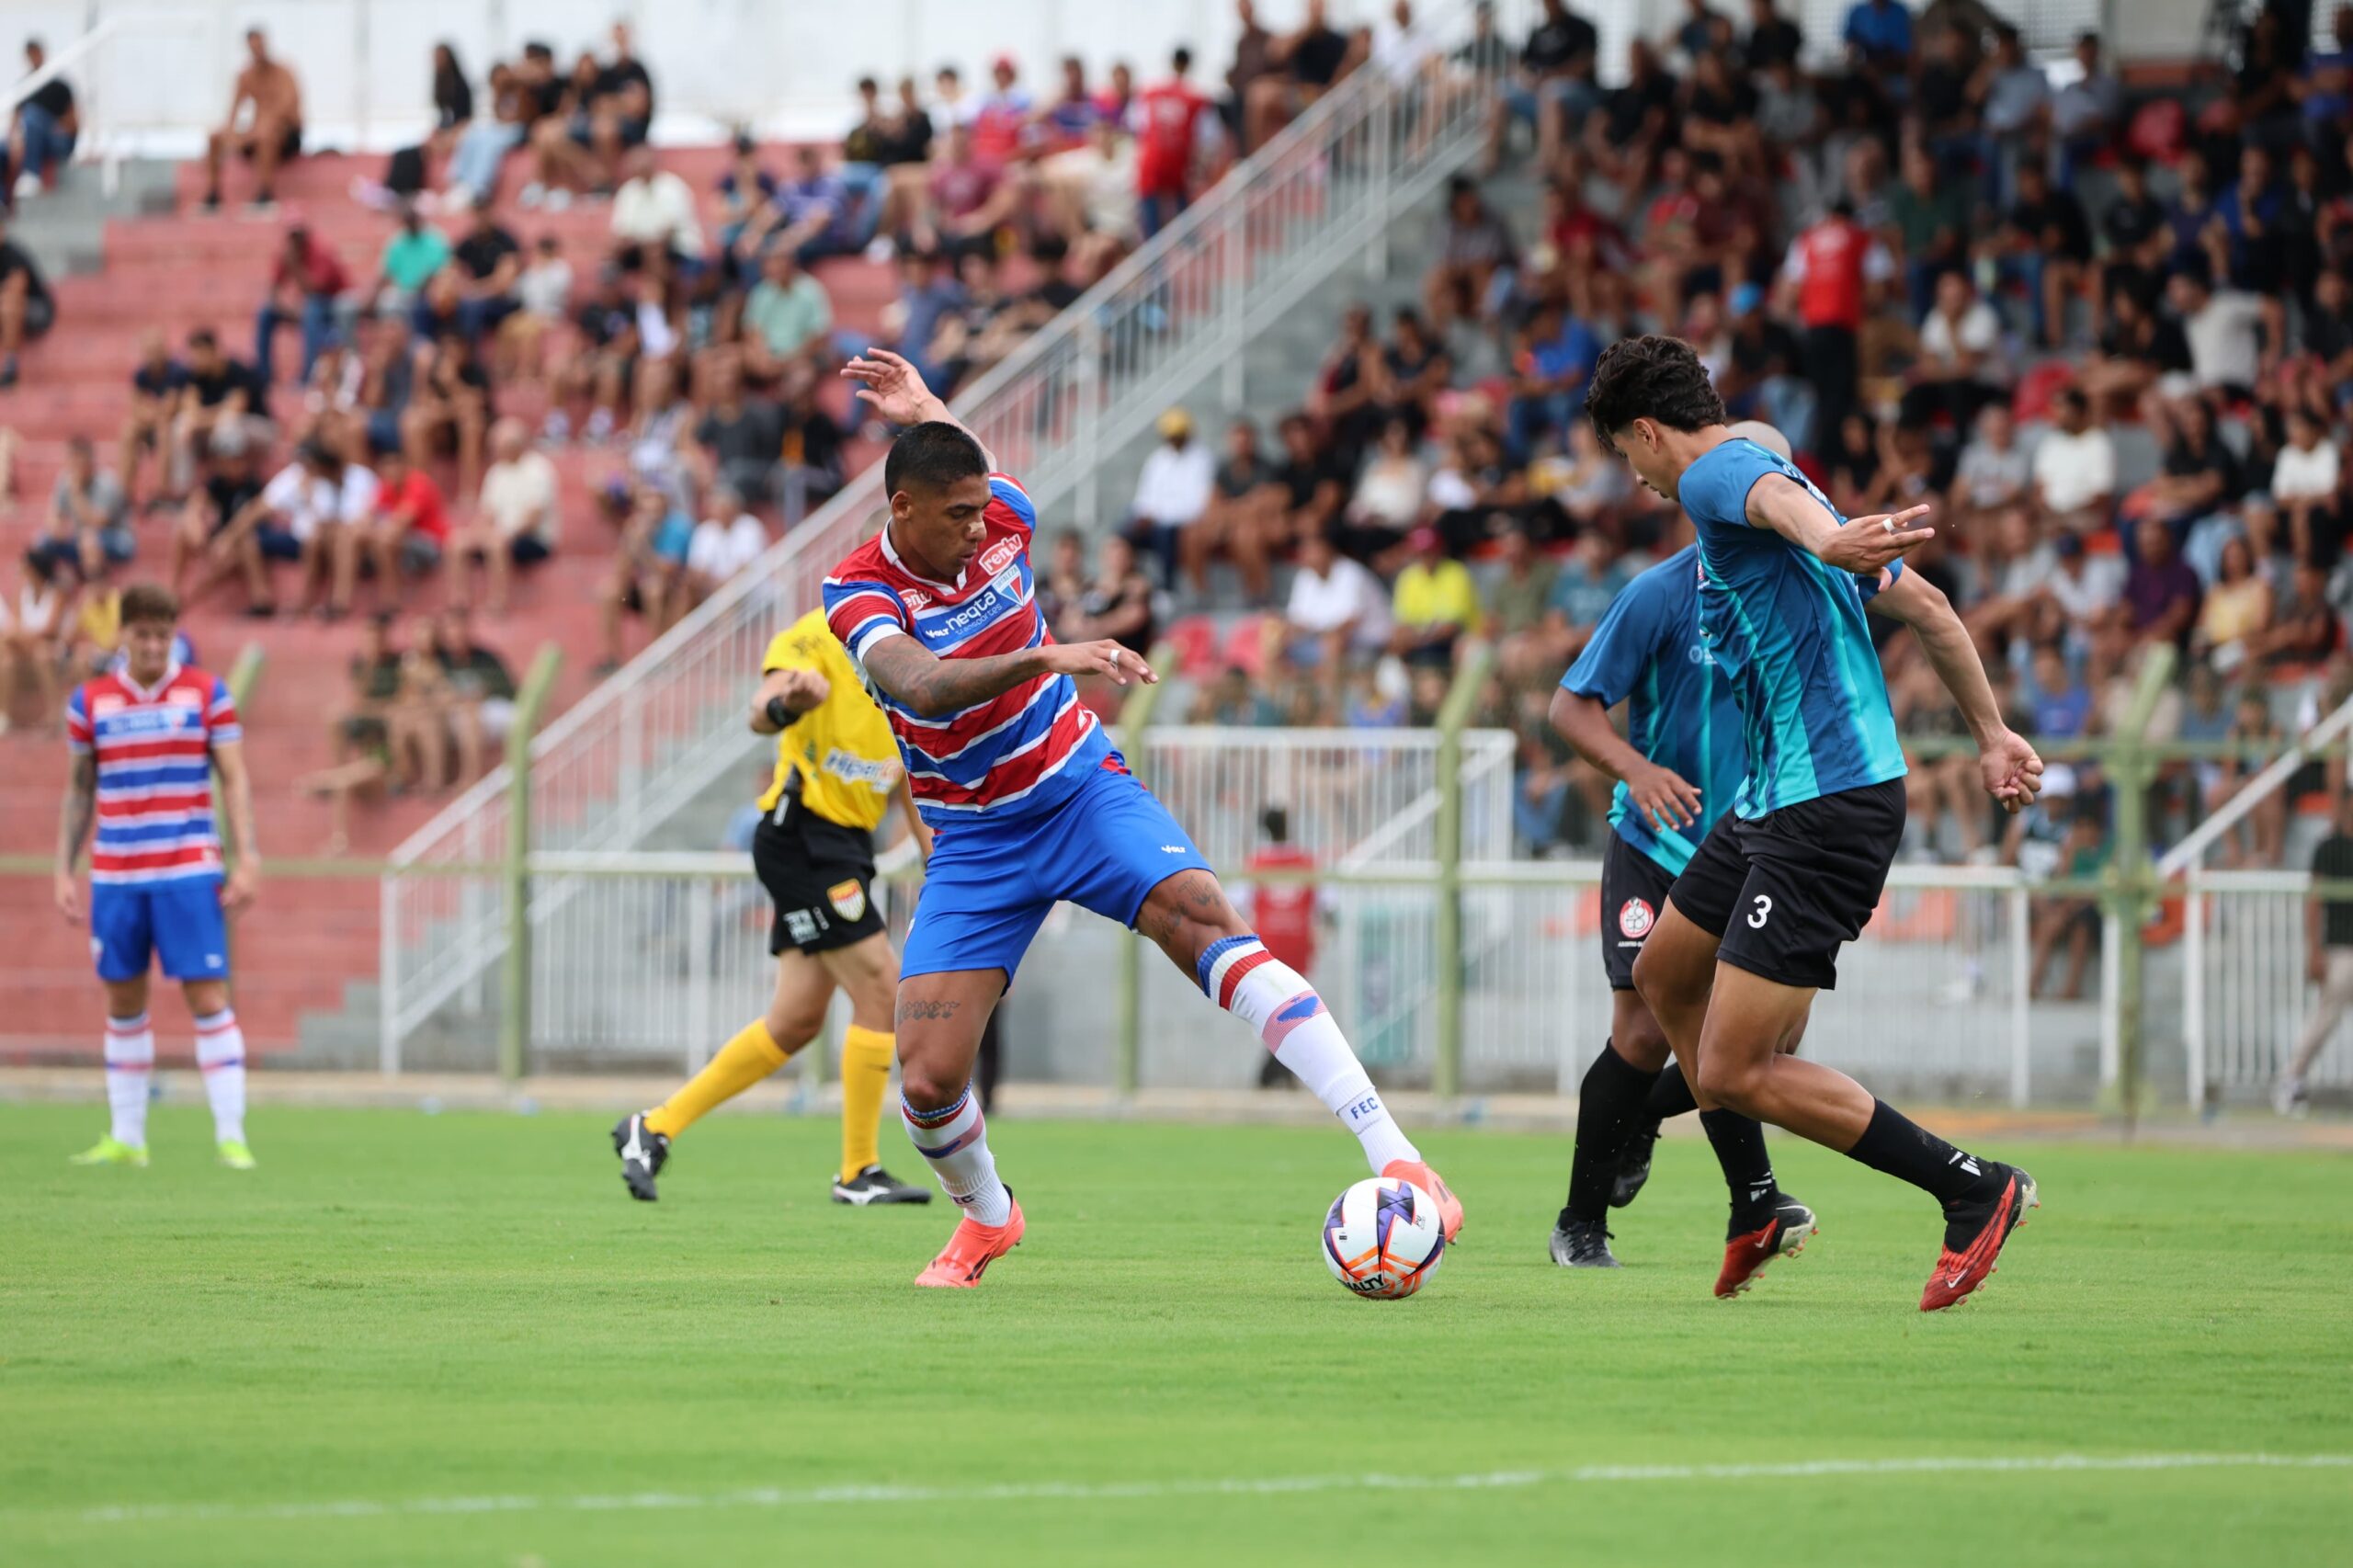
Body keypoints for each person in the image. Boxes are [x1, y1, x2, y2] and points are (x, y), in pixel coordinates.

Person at [821, 348, 1461, 1288]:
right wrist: (1047, 658)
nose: (978, 526)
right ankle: (990, 1218)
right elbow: (916, 681)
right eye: (955, 514)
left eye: (979, 509)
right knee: (923, 1083)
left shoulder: (1002, 512)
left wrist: (926, 409)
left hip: (1079, 786)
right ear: (901, 510)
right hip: (976, 839)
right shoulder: (858, 590)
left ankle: (1399, 1157)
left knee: (1206, 915)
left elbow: (961, 467)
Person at [1583, 334, 2044, 1312]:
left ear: (1648, 431)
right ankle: (1753, 1201)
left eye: (1629, 457)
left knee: (1737, 1065)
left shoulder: (1720, 476)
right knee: (1664, 972)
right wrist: (1993, 734)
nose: (1637, 478)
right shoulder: (1783, 513)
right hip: (1768, 801)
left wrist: (1826, 536)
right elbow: (1931, 609)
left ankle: (1973, 1187)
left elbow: (1761, 488)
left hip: (1823, 808)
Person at [1546, 518, 1822, 1281]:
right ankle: (1582, 1225)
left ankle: (1635, 1119)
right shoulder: (1660, 594)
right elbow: (1569, 707)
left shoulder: (1806, 593)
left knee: (1766, 1045)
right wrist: (1636, 769)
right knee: (1641, 1036)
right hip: (1657, 846)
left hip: (1761, 850)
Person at [614, 608, 935, 1208]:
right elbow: (760, 712)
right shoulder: (820, 633)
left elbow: (910, 782)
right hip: (803, 837)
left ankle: (652, 1128)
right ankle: (858, 1169)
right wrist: (790, 702)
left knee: (793, 1023)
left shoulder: (919, 656)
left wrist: (941, 866)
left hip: (847, 847)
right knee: (882, 988)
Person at [55, 583, 260, 1170]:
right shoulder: (89, 702)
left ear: (173, 636)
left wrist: (247, 857)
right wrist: (63, 869)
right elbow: (78, 791)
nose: (151, 645)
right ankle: (127, 1137)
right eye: (141, 634)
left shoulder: (206, 694)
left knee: (207, 994)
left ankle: (231, 1135)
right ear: (122, 635)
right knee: (122, 998)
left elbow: (235, 779)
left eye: (161, 635)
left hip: (187, 869)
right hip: (117, 872)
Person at [1236, 807, 1326, 1089]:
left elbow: (1235, 901)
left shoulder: (1256, 864)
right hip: (1299, 944)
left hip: (1266, 945)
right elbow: (1329, 905)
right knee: (1294, 1008)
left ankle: (1272, 1070)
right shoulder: (1307, 862)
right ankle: (1279, 1070)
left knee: (1271, 1008)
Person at [2278, 792, 2353, 1116]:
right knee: (2327, 1015)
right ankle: (2292, 1077)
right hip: (2340, 945)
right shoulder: (2329, 847)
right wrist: (2314, 950)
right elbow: (2314, 901)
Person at [201, 28, 302, 212]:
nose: (258, 51)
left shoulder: (284, 73)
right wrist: (232, 131)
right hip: (257, 132)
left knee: (265, 135)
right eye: (254, 47)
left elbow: (289, 109)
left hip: (286, 136)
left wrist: (261, 128)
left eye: (261, 46)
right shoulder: (246, 76)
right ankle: (213, 194)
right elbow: (234, 109)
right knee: (215, 136)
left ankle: (265, 192)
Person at [254, 223, 351, 389]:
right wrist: (286, 308)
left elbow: (315, 290)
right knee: (265, 312)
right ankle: (264, 375)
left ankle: (308, 376)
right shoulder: (286, 254)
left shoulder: (320, 252)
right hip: (304, 306)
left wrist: (295, 266)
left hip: (331, 304)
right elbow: (273, 290)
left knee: (311, 311)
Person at [11, 37, 77, 198]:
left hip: (57, 141)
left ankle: (32, 175)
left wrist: (54, 126)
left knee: (33, 115)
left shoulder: (59, 85)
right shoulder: (24, 87)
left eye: (36, 53)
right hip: (32, 142)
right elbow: (14, 123)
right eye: (30, 55)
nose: (34, 58)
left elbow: (74, 123)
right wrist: (15, 141)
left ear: (42, 53)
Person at [0, 210, 54, 387]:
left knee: (9, 304)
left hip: (37, 310)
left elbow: (16, 290)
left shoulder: (13, 254)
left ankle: (10, 365)